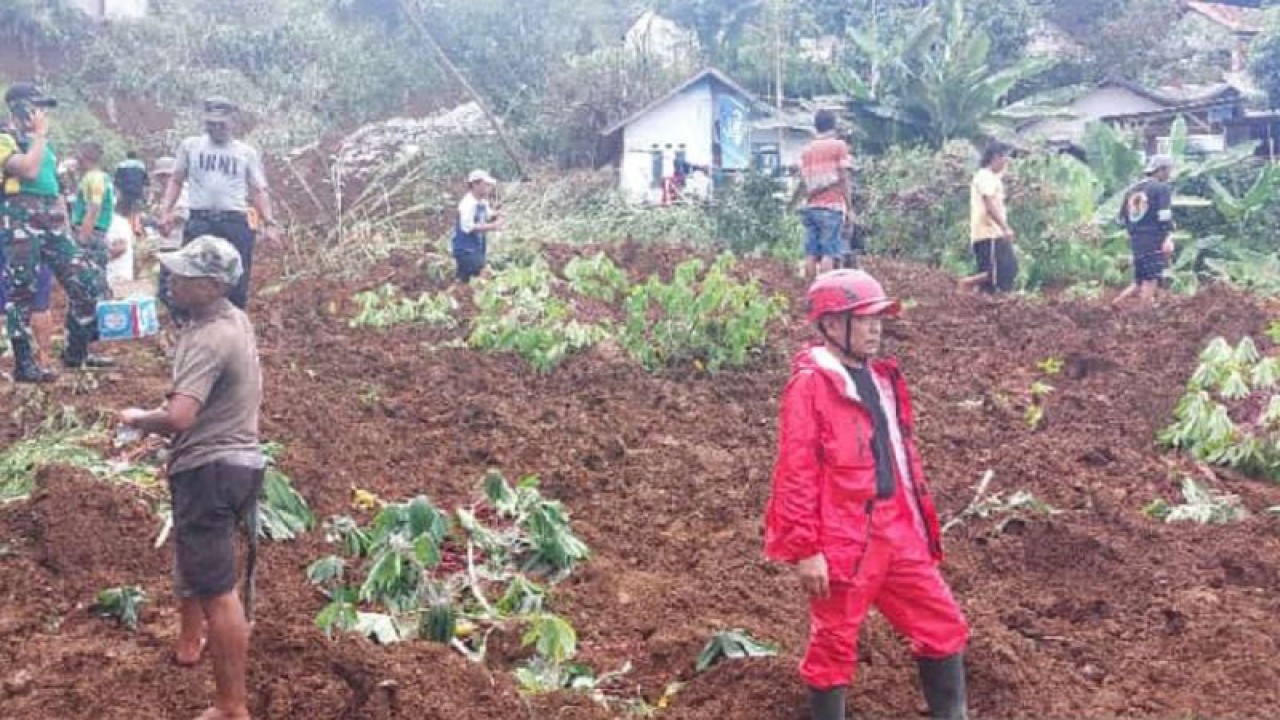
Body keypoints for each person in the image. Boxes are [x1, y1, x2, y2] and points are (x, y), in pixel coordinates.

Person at [764, 269, 969, 720]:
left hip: (897, 526)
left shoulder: (880, 378)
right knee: (834, 644)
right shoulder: (811, 385)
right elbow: (796, 470)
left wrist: (916, 521)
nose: (877, 328)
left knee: (942, 623)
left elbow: (899, 454)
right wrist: (806, 549)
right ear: (832, 324)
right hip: (845, 536)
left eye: (879, 318)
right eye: (865, 318)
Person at [117, 235, 263, 720]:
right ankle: (188, 642)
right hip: (236, 463)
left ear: (213, 285)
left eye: (184, 276)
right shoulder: (231, 321)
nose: (172, 281)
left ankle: (230, 707)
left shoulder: (208, 338)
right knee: (200, 563)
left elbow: (179, 416)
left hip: (210, 468)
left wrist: (139, 417)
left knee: (218, 590)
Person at [1, 81, 112, 381]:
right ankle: (25, 365)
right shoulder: (5, 138)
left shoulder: (43, 144)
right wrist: (38, 135)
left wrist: (67, 225)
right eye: (36, 106)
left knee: (87, 282)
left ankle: (76, 353)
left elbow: (55, 188)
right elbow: (28, 170)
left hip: (53, 222)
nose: (41, 114)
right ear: (21, 107)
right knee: (21, 294)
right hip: (21, 221)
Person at [159, 97, 280, 315]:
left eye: (221, 124)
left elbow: (258, 190)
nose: (216, 128)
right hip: (200, 221)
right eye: (211, 124)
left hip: (234, 222)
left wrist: (269, 223)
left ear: (233, 122)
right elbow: (176, 180)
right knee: (190, 275)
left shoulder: (245, 153)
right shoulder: (191, 146)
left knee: (236, 281)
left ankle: (233, 326)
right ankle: (191, 326)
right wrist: (166, 210)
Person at [1112, 154, 1176, 310]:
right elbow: (1164, 216)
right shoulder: (1161, 188)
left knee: (1140, 280)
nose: (1169, 174)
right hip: (1153, 238)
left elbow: (1121, 218)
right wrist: (1168, 233)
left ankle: (1114, 306)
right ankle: (1144, 313)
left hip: (1136, 240)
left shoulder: (1132, 190)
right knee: (1151, 278)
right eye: (1168, 170)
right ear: (1160, 170)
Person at [797, 110, 853, 279]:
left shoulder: (806, 151)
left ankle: (811, 291)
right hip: (832, 206)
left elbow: (803, 182)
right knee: (829, 252)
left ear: (816, 126)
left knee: (811, 254)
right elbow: (843, 178)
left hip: (811, 207)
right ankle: (825, 292)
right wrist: (849, 207)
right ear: (833, 125)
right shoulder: (839, 146)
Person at [961, 142, 1018, 294]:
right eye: (1003, 158)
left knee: (1009, 268)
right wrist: (1005, 227)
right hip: (988, 233)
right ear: (995, 157)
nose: (1005, 162)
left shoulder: (992, 177)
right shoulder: (984, 176)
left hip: (994, 233)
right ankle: (967, 284)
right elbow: (989, 203)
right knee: (995, 273)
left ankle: (986, 299)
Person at [71, 139, 116, 296]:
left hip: (92, 233)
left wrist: (83, 237)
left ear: (82, 158)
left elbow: (94, 208)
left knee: (91, 277)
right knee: (94, 275)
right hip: (94, 231)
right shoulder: (94, 177)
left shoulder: (95, 178)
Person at [452, 169, 503, 283]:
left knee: (463, 280)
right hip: (466, 249)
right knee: (485, 273)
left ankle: (455, 296)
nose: (489, 188)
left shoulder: (482, 202)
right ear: (475, 184)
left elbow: (488, 214)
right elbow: (467, 227)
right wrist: (493, 226)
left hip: (476, 248)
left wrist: (497, 214)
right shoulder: (467, 204)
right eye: (486, 185)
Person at [114, 150, 149, 233]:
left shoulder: (121, 165)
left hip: (125, 191)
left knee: (125, 210)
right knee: (136, 209)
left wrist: (118, 192)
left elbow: (116, 180)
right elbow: (146, 182)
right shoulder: (141, 166)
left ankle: (127, 228)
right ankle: (136, 227)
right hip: (137, 191)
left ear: (127, 156)